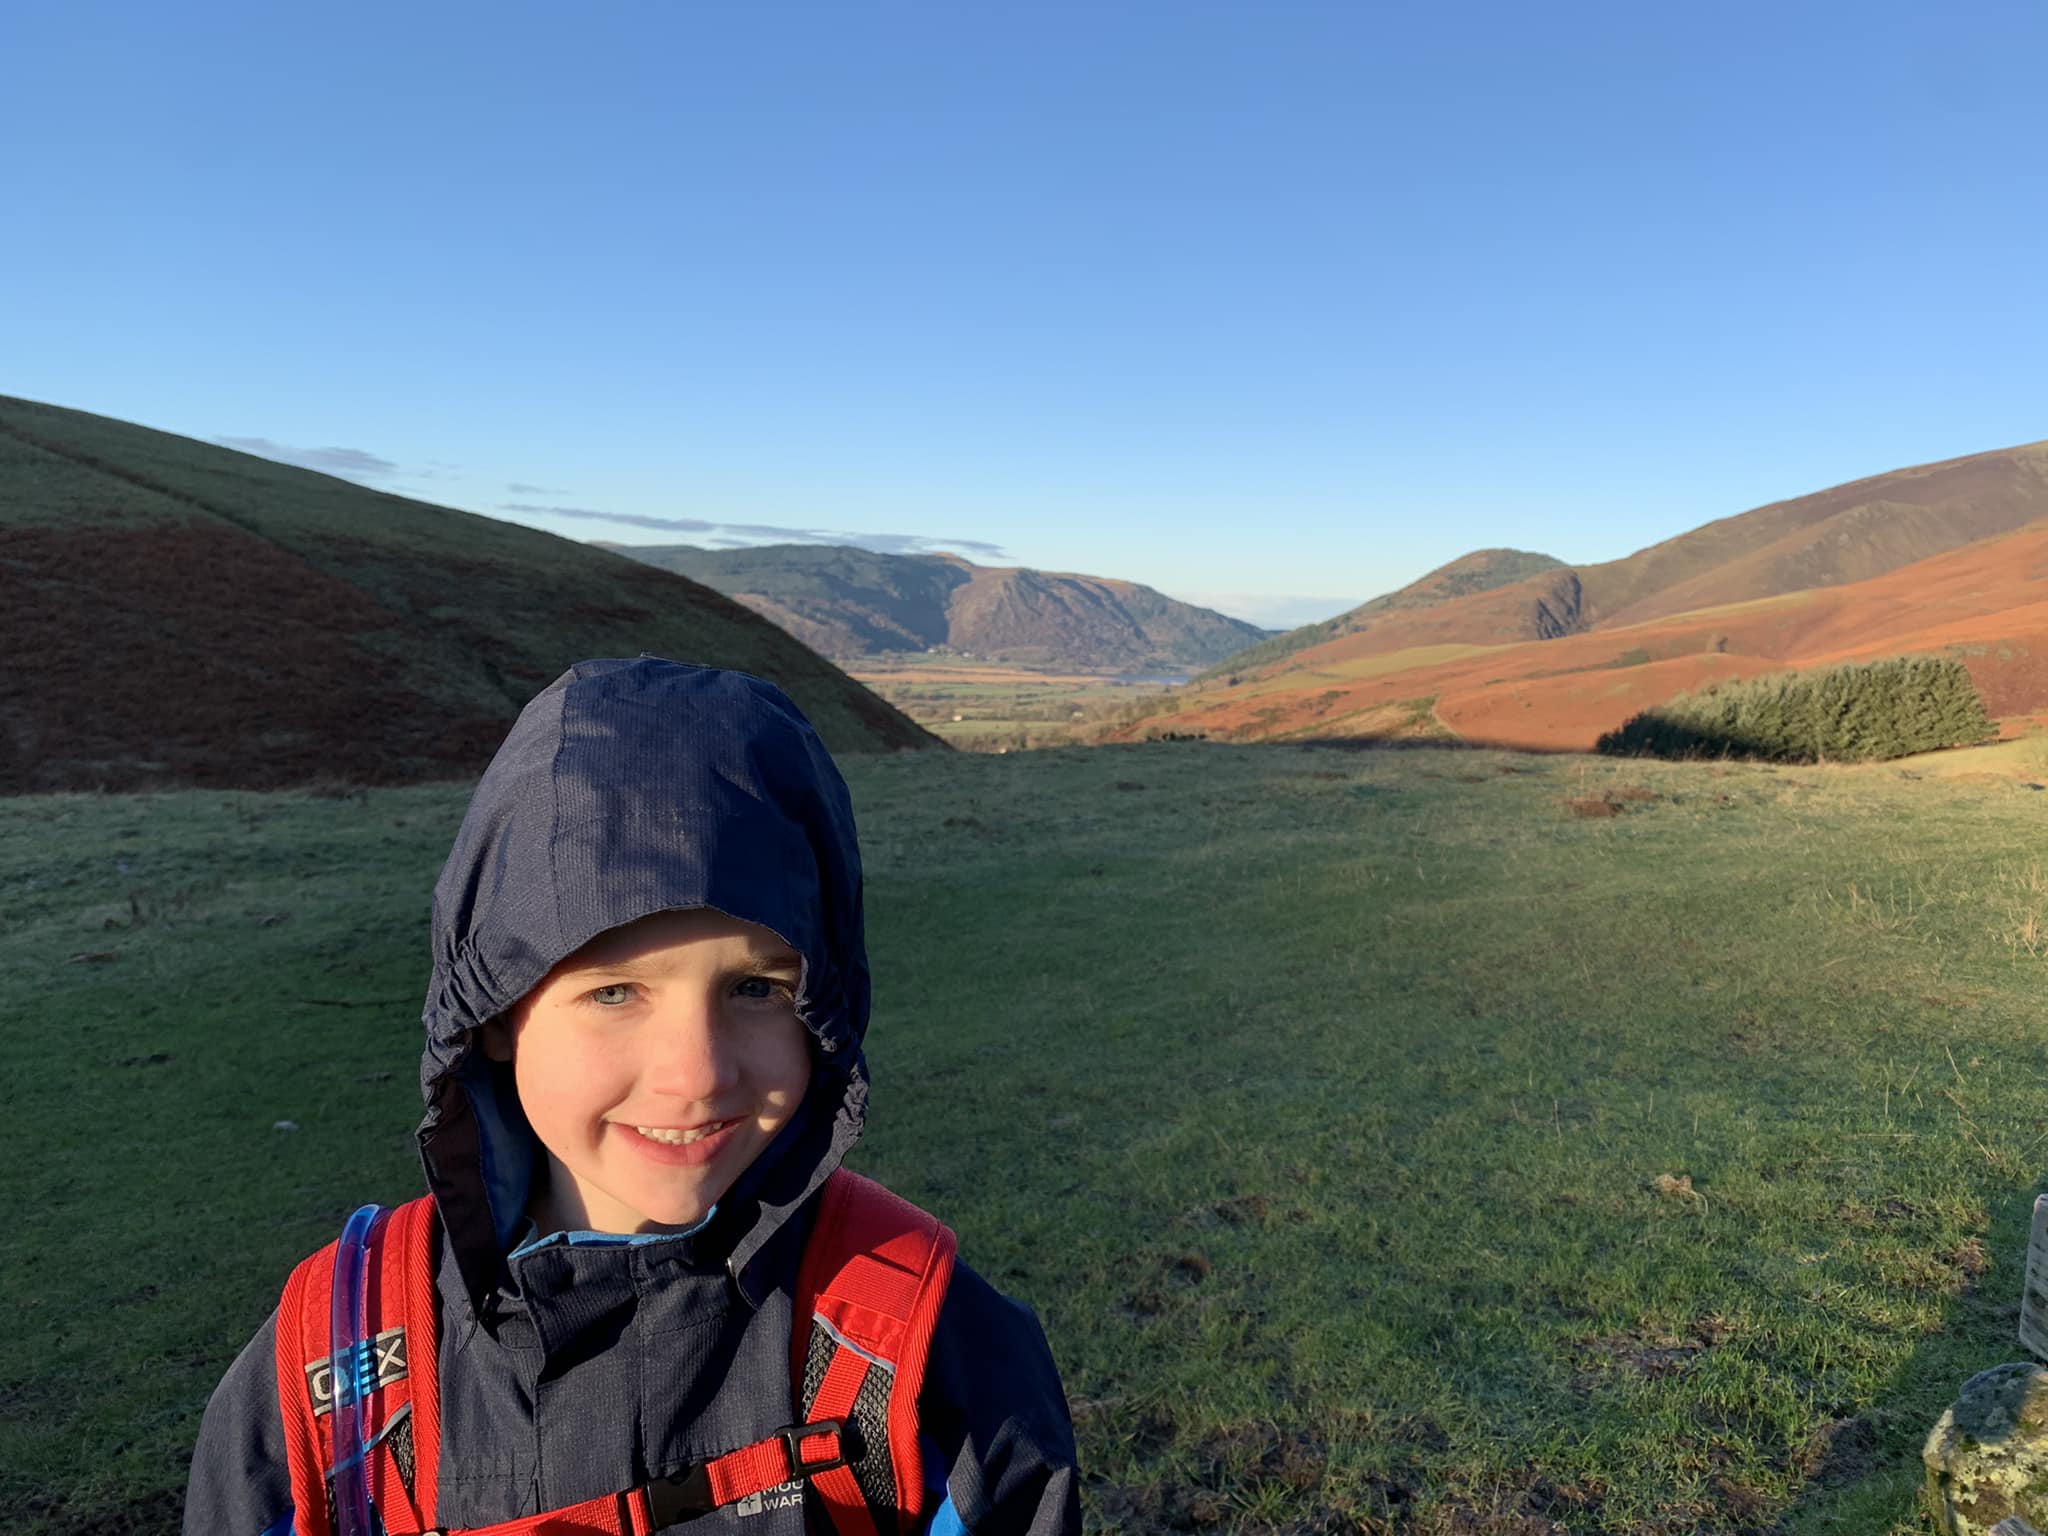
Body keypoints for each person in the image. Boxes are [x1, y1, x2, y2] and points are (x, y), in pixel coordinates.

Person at [183, 657, 1081, 1536]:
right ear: (495, 1009)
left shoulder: (928, 1350)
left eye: (756, 990)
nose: (696, 1074)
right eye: (614, 993)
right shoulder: (328, 1365)